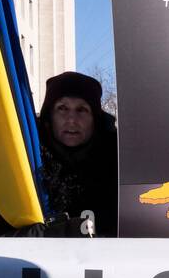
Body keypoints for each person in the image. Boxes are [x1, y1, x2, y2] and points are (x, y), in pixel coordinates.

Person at [37, 71, 118, 237]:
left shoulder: (118, 164)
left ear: (95, 118)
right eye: (62, 108)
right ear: (49, 116)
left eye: (82, 109)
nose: (72, 120)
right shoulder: (29, 162)